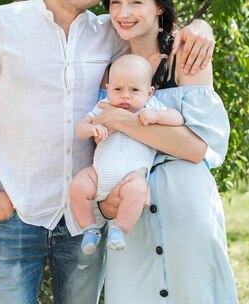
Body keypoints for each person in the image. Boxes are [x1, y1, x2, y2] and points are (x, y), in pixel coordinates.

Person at [0, 0, 215, 304]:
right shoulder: (0, 23)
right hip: (15, 213)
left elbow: (154, 21)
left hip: (85, 218)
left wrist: (202, 27)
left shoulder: (111, 32)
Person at [93, 0, 239, 304]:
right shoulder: (107, 68)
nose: (123, 12)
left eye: (136, 1)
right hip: (130, 217)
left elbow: (196, 148)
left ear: (159, 5)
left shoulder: (183, 56)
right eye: (115, 2)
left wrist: (121, 120)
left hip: (185, 208)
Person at [71, 54, 184, 255]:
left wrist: (156, 116)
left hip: (131, 177)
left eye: (134, 90)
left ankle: (119, 230)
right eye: (117, 89)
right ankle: (89, 229)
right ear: (108, 89)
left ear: (149, 92)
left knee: (138, 190)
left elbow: (178, 118)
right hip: (99, 175)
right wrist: (91, 129)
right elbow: (80, 127)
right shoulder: (104, 106)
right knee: (78, 185)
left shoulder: (150, 107)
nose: (125, 96)